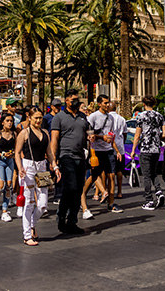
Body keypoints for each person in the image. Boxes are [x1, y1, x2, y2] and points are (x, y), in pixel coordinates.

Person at [15, 108, 60, 246]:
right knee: (28, 203)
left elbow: (50, 152)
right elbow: (17, 152)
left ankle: (32, 224)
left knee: (43, 204)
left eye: (40, 118)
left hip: (42, 168)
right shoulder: (24, 133)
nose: (38, 120)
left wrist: (55, 166)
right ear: (29, 117)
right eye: (36, 118)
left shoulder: (45, 133)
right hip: (28, 167)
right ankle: (27, 235)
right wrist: (20, 167)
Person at [51, 89, 93, 235]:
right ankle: (61, 216)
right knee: (71, 186)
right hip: (66, 156)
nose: (76, 101)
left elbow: (89, 133)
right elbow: (54, 139)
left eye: (78, 99)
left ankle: (72, 221)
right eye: (73, 99)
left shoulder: (83, 117)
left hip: (81, 157)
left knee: (78, 189)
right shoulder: (59, 117)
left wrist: (92, 138)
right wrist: (53, 158)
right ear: (66, 101)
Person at [81, 94, 123, 218]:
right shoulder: (93, 117)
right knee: (94, 176)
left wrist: (117, 151)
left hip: (109, 150)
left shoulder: (111, 118)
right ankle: (82, 196)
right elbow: (89, 133)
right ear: (99, 104)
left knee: (112, 176)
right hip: (97, 151)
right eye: (105, 103)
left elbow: (111, 135)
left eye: (108, 102)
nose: (107, 104)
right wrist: (100, 137)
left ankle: (111, 203)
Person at [131, 95, 165, 210]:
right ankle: (159, 191)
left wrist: (133, 150)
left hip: (145, 149)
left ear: (144, 104)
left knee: (146, 175)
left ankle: (149, 200)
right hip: (156, 149)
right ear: (154, 104)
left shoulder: (141, 116)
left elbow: (137, 135)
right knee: (153, 172)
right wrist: (157, 137)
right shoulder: (159, 116)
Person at [0, 113, 17, 221]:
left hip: (9, 161)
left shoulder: (14, 134)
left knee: (8, 186)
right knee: (0, 186)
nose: (10, 123)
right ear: (2, 122)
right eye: (7, 121)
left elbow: (16, 148)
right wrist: (2, 154)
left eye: (11, 121)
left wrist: (12, 153)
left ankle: (5, 211)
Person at [109, 101, 127, 199]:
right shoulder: (122, 119)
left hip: (109, 146)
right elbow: (125, 133)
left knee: (110, 171)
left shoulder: (107, 119)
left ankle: (109, 191)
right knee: (119, 170)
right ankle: (120, 191)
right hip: (120, 146)